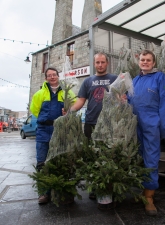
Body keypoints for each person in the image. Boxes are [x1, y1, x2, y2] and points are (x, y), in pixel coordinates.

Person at [127, 49, 165, 216]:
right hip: (135, 125)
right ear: (139, 62)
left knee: (151, 158)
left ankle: (149, 197)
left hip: (151, 124)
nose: (145, 62)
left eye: (148, 60)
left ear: (153, 63)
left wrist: (163, 126)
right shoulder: (135, 80)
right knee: (138, 156)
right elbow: (129, 101)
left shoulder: (160, 78)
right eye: (142, 60)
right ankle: (140, 189)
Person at [70, 53, 117, 209]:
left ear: (107, 63)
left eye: (103, 62)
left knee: (109, 155)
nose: (100, 65)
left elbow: (122, 97)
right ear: (94, 63)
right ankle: (93, 186)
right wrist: (70, 111)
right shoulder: (87, 81)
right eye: (98, 62)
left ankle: (109, 186)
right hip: (91, 123)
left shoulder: (115, 79)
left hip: (111, 123)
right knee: (92, 155)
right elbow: (80, 101)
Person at [30, 67, 76, 204]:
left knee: (62, 160)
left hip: (61, 130)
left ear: (58, 76)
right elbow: (35, 110)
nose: (52, 77)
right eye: (49, 75)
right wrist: (46, 119)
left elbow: (75, 106)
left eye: (54, 75)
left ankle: (63, 189)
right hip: (44, 130)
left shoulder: (67, 92)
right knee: (42, 162)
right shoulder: (40, 94)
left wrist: (67, 113)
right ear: (46, 78)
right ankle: (44, 193)